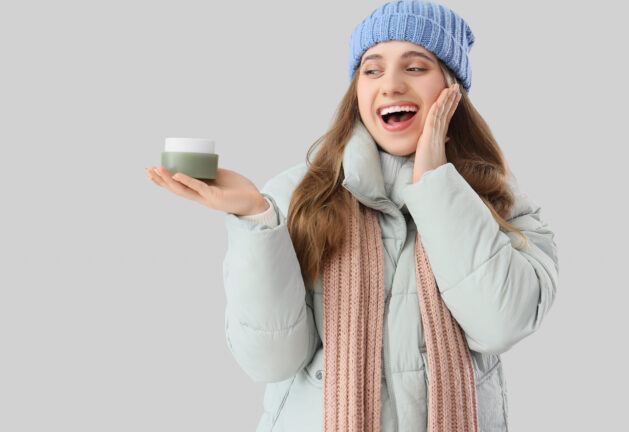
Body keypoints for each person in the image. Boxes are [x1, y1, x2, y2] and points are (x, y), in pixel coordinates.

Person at [146, 1, 559, 430]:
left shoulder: (501, 204)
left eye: (415, 68)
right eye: (372, 69)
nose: (391, 85)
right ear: (356, 89)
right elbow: (269, 360)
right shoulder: (298, 196)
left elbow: (500, 323)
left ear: (451, 88)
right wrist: (256, 221)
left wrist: (437, 185)